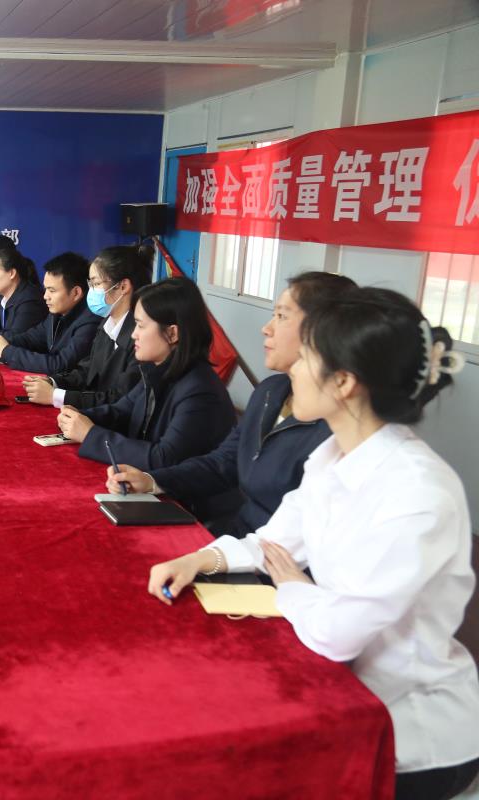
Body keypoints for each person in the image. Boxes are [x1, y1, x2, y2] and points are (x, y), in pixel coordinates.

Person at [147, 287, 478, 800]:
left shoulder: (418, 492)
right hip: (336, 683)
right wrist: (200, 558)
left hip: (404, 730)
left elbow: (339, 631)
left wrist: (293, 587)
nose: (292, 371)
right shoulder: (332, 455)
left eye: (304, 358)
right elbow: (273, 541)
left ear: (344, 382)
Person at [106, 271, 357, 536]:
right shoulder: (270, 391)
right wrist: (152, 481)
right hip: (241, 537)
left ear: (325, 331)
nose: (266, 328)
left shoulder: (337, 426)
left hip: (264, 546)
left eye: (282, 317)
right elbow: (224, 461)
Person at [57, 276, 234, 469]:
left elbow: (163, 458)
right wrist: (80, 417)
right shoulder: (158, 369)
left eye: (140, 326)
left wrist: (90, 434)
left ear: (172, 333)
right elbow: (121, 412)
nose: (134, 335)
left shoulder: (200, 391)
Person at [23, 242, 154, 409]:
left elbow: (120, 399)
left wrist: (56, 396)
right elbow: (88, 370)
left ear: (123, 286)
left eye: (96, 284)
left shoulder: (140, 336)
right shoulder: (106, 323)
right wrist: (53, 382)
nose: (91, 291)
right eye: (90, 284)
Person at [0, 251, 100, 374]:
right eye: (46, 289)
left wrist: (5, 351)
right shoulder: (56, 314)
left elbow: (60, 364)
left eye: (52, 291)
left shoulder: (90, 321)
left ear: (76, 293)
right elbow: (30, 338)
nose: (45, 296)